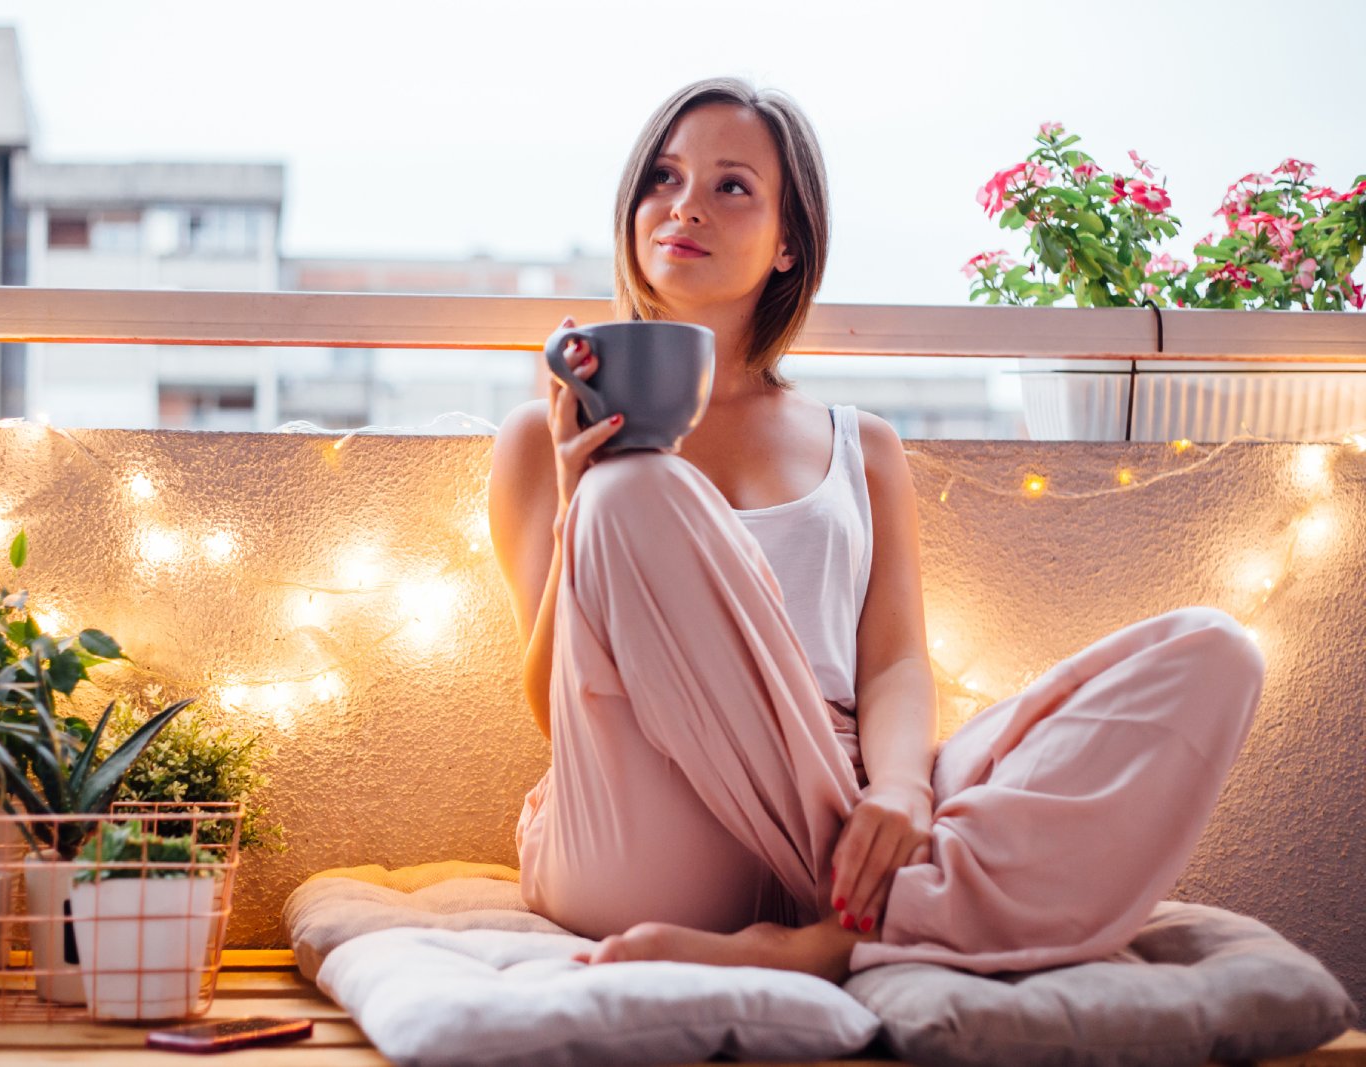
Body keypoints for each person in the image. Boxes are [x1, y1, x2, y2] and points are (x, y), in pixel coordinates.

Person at [486, 76, 1265, 984]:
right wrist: (581, 497)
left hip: (841, 802)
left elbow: (893, 666)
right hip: (646, 817)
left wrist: (898, 792)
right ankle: (906, 901)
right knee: (634, 489)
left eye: (731, 185)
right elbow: (553, 705)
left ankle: (828, 934)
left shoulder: (863, 447)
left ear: (789, 242)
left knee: (1214, 652)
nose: (686, 204)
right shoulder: (545, 440)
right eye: (664, 176)